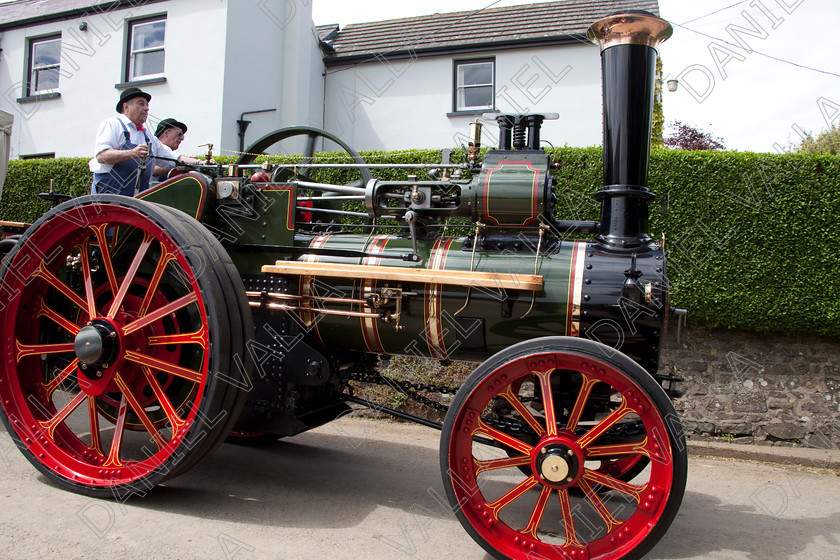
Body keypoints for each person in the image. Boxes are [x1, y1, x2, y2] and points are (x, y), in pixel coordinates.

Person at [89, 88, 206, 196]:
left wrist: (200, 163)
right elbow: (101, 156)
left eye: (147, 105)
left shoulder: (147, 135)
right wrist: (133, 153)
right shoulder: (113, 124)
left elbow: (172, 157)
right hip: (110, 197)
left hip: (137, 199)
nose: (146, 108)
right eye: (141, 103)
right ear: (126, 107)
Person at [152, 117, 188, 182]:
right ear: (166, 133)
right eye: (179, 133)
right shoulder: (155, 147)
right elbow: (151, 169)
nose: (182, 138)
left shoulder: (169, 153)